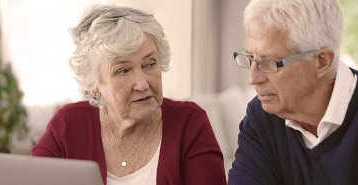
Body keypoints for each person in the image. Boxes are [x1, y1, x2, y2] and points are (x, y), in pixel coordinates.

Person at [30, 4, 226, 185]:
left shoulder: (189, 123)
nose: (142, 84)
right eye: (123, 71)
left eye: (149, 64)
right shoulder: (67, 124)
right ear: (94, 84)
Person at [228, 0, 358, 184]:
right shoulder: (262, 117)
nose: (253, 79)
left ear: (321, 61)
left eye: (269, 62)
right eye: (250, 57)